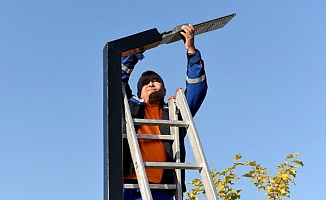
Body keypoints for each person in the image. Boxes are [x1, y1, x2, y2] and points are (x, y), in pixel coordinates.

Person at [121, 24, 208, 200]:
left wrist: (191, 51)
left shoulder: (174, 114)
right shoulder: (129, 107)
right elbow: (117, 79)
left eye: (155, 80)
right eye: (146, 82)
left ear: (164, 88)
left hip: (164, 188)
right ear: (138, 92)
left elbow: (197, 88)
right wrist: (136, 51)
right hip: (130, 187)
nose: (151, 83)